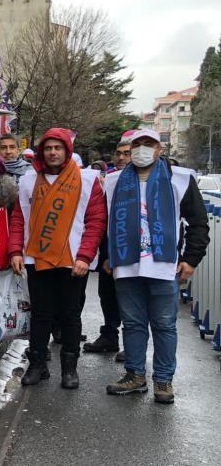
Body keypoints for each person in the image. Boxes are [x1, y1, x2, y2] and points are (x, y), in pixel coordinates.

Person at [104, 129, 209, 404]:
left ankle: (163, 380)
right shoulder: (113, 181)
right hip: (127, 266)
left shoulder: (180, 179)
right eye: (136, 144)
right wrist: (106, 256)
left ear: (159, 149)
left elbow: (198, 222)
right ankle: (135, 375)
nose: (141, 150)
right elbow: (103, 222)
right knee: (133, 324)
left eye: (148, 144)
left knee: (164, 325)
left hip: (164, 267)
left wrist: (191, 259)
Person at [9, 128, 107, 389]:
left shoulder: (88, 180)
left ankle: (69, 368)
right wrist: (15, 250)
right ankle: (38, 364)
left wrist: (86, 256)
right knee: (40, 314)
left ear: (67, 150)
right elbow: (19, 218)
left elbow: (96, 221)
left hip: (73, 260)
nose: (53, 152)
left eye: (58, 148)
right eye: (48, 148)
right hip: (37, 257)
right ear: (42, 151)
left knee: (70, 315)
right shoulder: (28, 180)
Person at [84, 131, 135, 358]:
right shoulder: (109, 181)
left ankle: (133, 344)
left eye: (128, 154)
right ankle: (109, 336)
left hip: (135, 250)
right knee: (107, 294)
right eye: (119, 154)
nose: (122, 158)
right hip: (109, 248)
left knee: (132, 299)